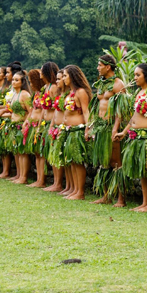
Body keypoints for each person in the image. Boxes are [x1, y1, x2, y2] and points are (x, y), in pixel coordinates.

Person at [114, 63, 147, 212]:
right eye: (134, 75)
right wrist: (124, 132)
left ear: (146, 75)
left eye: (138, 75)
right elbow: (134, 117)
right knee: (142, 171)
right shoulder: (139, 92)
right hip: (136, 137)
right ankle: (144, 203)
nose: (135, 78)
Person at [87, 54, 126, 205]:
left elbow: (120, 110)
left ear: (108, 67)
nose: (97, 68)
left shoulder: (118, 84)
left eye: (100, 65)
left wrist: (115, 129)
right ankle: (106, 196)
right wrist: (91, 126)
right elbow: (96, 107)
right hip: (100, 127)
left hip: (111, 126)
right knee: (104, 161)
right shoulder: (101, 84)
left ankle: (121, 199)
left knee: (116, 163)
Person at [60, 65, 91, 200]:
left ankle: (80, 192)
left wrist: (88, 128)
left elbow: (86, 111)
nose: (63, 78)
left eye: (65, 76)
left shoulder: (80, 92)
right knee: (72, 161)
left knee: (78, 161)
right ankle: (74, 189)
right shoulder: (70, 93)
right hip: (69, 130)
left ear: (72, 76)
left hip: (78, 130)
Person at [3, 71, 32, 184]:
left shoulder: (25, 94)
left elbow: (31, 111)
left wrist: (25, 124)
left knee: (23, 152)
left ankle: (24, 177)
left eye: (16, 80)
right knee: (17, 152)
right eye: (13, 80)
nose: (13, 82)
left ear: (22, 82)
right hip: (14, 125)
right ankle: (19, 175)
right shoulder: (14, 93)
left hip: (21, 125)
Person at [38, 62, 62, 192]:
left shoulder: (53, 88)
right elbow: (43, 108)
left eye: (42, 71)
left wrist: (51, 125)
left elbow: (57, 106)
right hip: (45, 123)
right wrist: (40, 124)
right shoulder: (45, 87)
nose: (40, 74)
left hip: (53, 123)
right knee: (48, 153)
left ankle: (58, 183)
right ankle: (53, 182)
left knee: (54, 153)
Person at [24, 69, 47, 186]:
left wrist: (39, 124)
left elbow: (43, 110)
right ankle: (38, 179)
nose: (30, 84)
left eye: (31, 82)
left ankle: (42, 180)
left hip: (39, 125)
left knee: (40, 153)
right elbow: (32, 110)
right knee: (36, 153)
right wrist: (27, 122)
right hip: (33, 124)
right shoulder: (36, 94)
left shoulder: (43, 93)